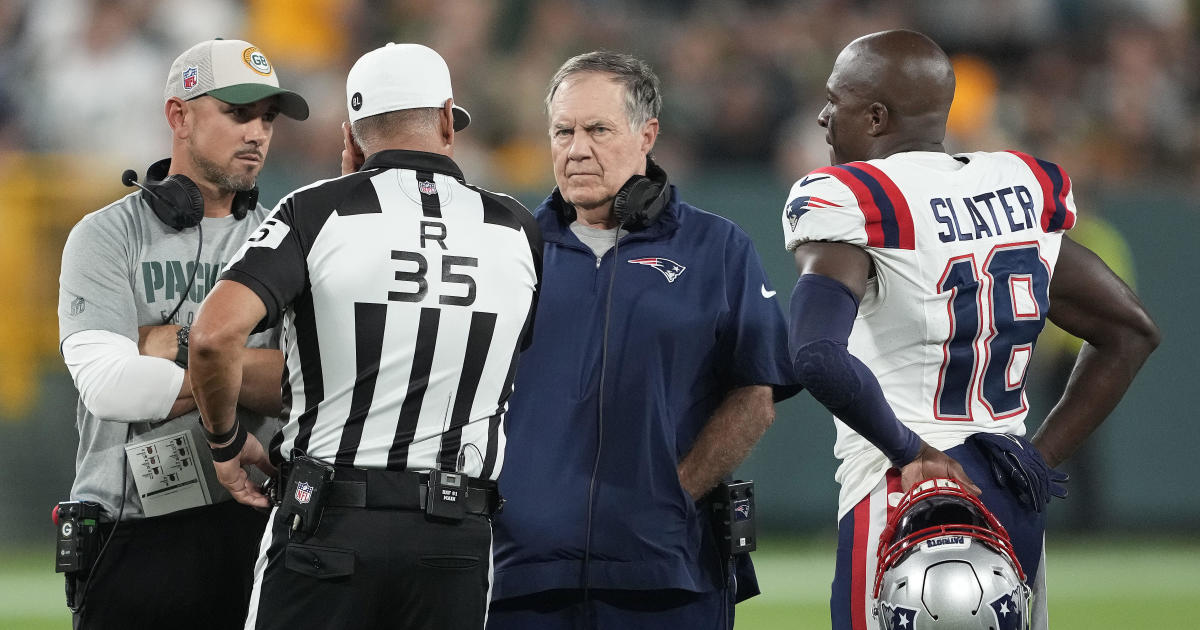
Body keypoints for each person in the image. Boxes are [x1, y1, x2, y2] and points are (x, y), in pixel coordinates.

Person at [780, 30, 1160, 630]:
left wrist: (912, 451)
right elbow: (1132, 331)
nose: (825, 117)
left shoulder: (858, 197)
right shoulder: (1016, 185)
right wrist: (1041, 457)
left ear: (876, 116)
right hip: (1010, 488)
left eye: (837, 99)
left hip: (905, 488)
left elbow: (816, 355)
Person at [187, 43, 542, 630]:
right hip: (455, 534)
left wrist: (225, 447)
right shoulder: (515, 227)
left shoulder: (315, 210)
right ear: (448, 122)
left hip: (329, 521)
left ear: (350, 140)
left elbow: (211, 337)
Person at [488, 51, 798, 630]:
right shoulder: (508, 249)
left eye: (598, 129)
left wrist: (675, 493)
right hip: (522, 571)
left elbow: (755, 396)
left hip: (667, 571)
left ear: (646, 133)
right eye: (563, 131)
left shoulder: (717, 247)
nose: (577, 148)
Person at [56, 38, 308, 629]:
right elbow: (108, 384)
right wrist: (239, 364)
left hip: (251, 519)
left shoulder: (287, 241)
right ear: (179, 115)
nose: (258, 134)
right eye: (238, 113)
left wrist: (176, 344)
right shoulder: (105, 235)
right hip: (129, 528)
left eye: (267, 118)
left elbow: (298, 387)